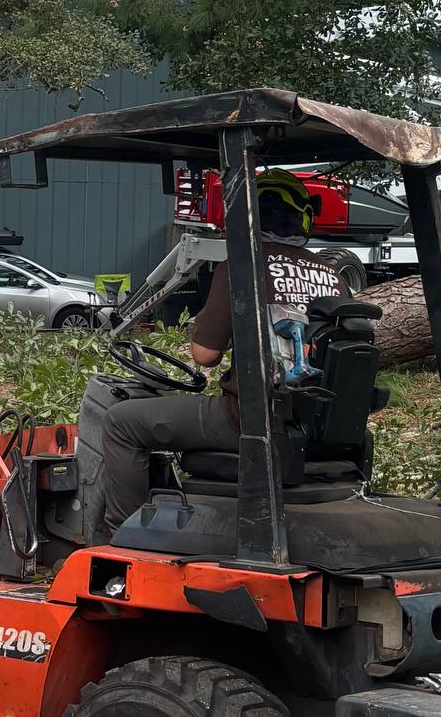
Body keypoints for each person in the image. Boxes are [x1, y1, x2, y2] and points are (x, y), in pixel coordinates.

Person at [78, 170, 346, 542]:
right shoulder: (333, 275)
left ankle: (121, 542)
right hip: (317, 422)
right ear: (304, 216)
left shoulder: (242, 266)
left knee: (122, 422)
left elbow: (204, 355)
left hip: (248, 421)